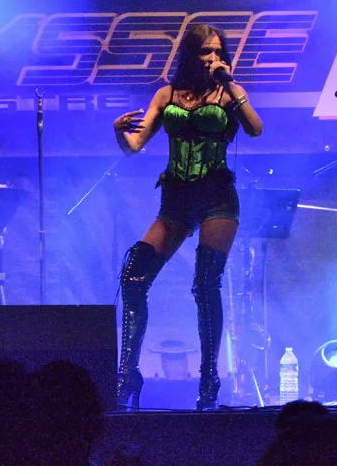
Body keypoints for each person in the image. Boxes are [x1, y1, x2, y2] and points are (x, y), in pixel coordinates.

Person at [111, 23, 263, 411]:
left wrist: (231, 86)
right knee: (133, 278)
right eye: (205, 51)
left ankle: (209, 378)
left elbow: (255, 129)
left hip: (217, 196)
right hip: (176, 199)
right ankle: (128, 373)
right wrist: (118, 132)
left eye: (218, 51)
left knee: (205, 283)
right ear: (190, 55)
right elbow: (134, 145)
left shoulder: (230, 92)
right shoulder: (168, 94)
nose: (213, 57)